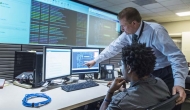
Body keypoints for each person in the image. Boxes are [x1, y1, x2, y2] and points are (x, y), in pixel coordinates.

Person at [85, 7, 188, 109]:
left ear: (134, 23)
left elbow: (176, 56)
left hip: (164, 74)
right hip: (147, 76)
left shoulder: (155, 31)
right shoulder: (128, 34)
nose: (122, 29)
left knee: (170, 104)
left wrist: (179, 83)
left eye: (123, 26)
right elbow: (113, 47)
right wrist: (95, 60)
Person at [100, 43, 171, 110]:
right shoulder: (161, 83)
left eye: (121, 64)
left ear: (129, 68)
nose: (121, 67)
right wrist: (125, 91)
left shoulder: (120, 102)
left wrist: (110, 92)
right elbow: (142, 96)